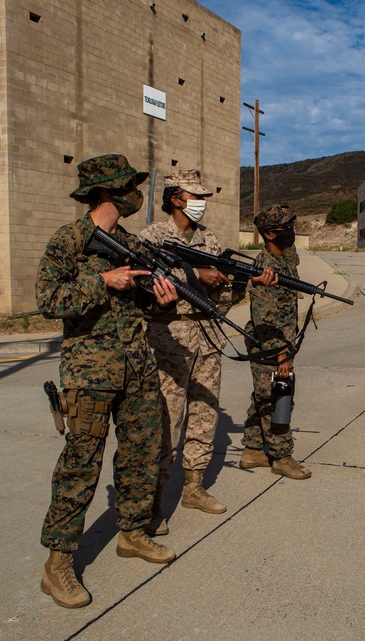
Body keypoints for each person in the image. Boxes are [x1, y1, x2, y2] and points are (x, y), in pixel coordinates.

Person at [35, 154, 179, 609]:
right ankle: (58, 565)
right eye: (128, 186)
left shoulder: (134, 245)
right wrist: (103, 281)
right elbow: (48, 298)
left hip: (137, 366)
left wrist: (164, 302)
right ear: (105, 192)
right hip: (89, 372)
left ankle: (132, 532)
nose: (135, 194)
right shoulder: (70, 241)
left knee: (142, 451)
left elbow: (149, 310)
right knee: (81, 464)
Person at [139, 170, 276, 527]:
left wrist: (245, 282)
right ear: (175, 199)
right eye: (194, 197)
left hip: (208, 336)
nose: (200, 204)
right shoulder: (153, 235)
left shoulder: (210, 240)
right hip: (170, 336)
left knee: (204, 411)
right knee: (167, 417)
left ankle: (194, 488)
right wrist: (195, 275)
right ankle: (153, 499)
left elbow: (224, 297)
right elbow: (145, 280)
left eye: (203, 198)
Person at [238, 204, 312, 479]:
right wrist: (282, 356)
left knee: (262, 395)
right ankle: (281, 457)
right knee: (278, 396)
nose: (292, 231)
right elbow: (264, 319)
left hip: (278, 339)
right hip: (268, 343)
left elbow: (292, 256)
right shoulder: (266, 268)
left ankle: (253, 451)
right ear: (270, 234)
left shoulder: (283, 259)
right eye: (287, 227)